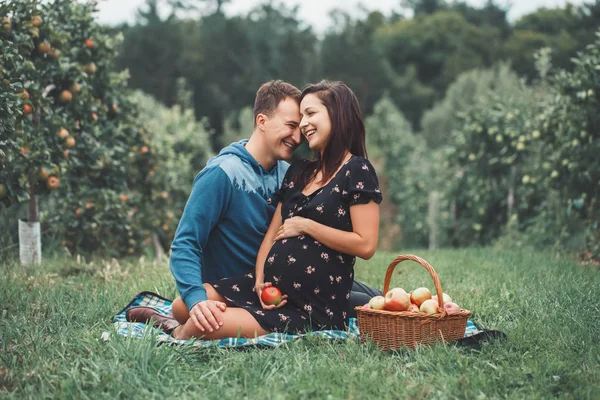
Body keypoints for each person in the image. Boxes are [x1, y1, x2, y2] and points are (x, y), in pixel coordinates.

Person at [126, 80, 382, 335]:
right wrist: (201, 299)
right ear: (261, 121)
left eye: (306, 118)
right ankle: (175, 321)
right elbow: (186, 243)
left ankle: (173, 329)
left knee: (377, 299)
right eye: (293, 124)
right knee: (183, 307)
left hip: (306, 292)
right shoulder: (224, 174)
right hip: (253, 285)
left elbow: (358, 241)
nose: (299, 133)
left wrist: (307, 228)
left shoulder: (295, 171)